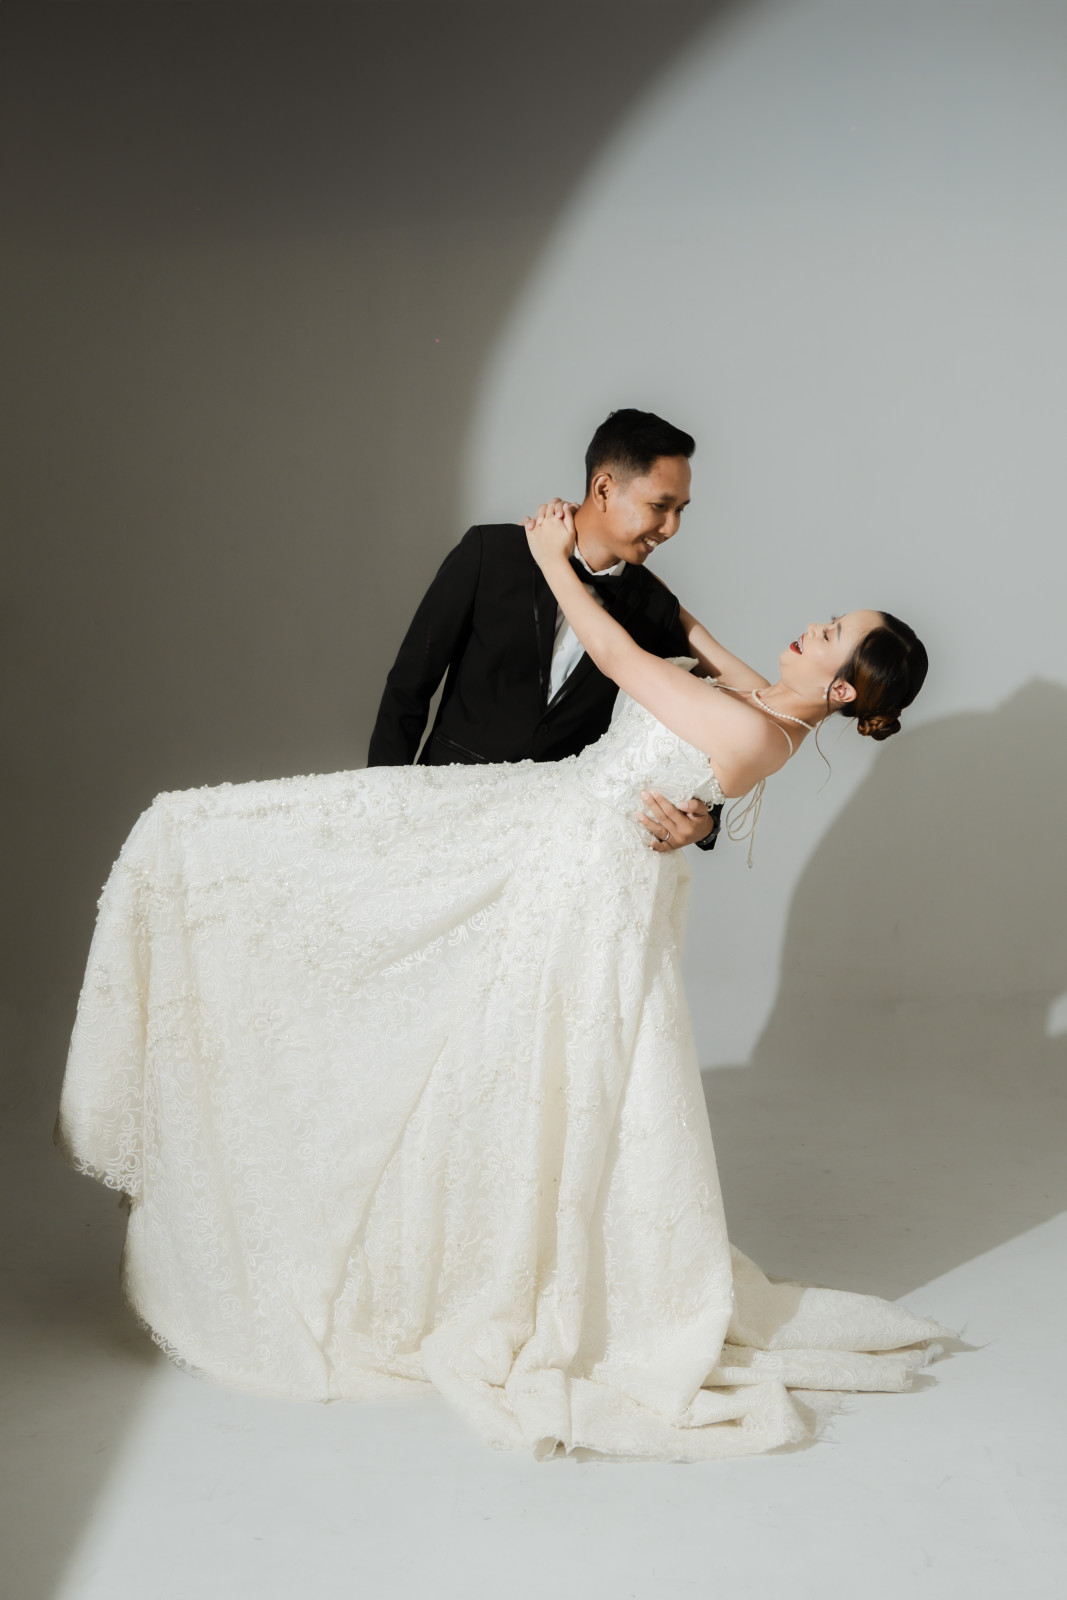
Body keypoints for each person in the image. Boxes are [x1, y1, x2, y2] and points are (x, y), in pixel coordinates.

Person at [57, 503, 952, 1464]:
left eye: (830, 633)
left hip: (577, 882)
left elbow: (621, 661)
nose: (810, 626)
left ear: (842, 685)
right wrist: (676, 629)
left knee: (487, 1054)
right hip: (545, 824)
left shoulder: (755, 728)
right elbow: (703, 657)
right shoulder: (768, 706)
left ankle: (439, 1268)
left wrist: (551, 558)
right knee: (414, 983)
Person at [368, 407, 722, 854]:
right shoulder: (490, 553)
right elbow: (408, 688)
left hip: (551, 842)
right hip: (441, 810)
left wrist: (707, 822)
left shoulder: (656, 608)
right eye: (660, 506)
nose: (671, 527)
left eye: (680, 510)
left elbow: (706, 718)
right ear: (604, 489)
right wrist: (380, 811)